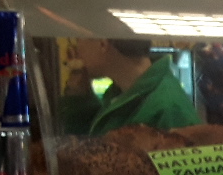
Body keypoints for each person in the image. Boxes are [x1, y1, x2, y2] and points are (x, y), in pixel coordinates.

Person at [63, 38, 201, 136]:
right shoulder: (120, 92)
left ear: (102, 44)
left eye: (79, 39)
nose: (77, 49)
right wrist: (79, 98)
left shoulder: (169, 109)